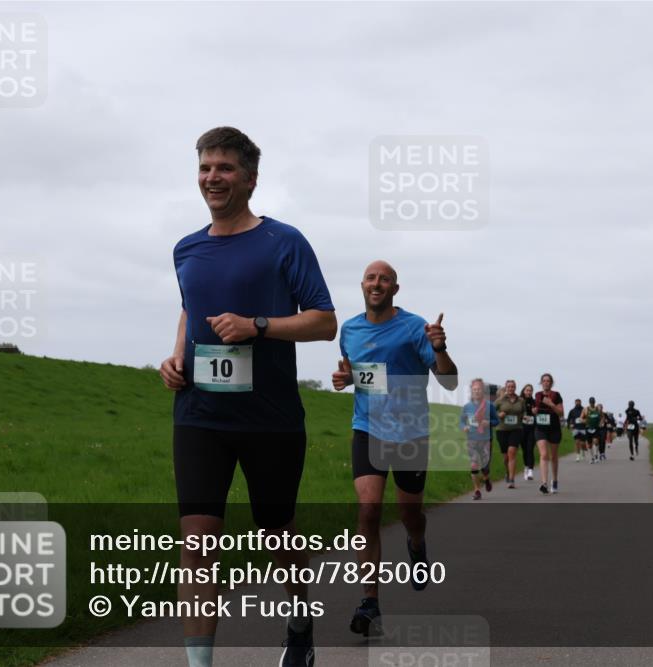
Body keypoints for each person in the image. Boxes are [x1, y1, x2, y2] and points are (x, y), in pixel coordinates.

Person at [159, 127, 337, 667]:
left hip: (270, 418)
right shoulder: (186, 248)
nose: (212, 177)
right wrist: (176, 358)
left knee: (277, 536)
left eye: (225, 168)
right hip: (200, 415)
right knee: (198, 543)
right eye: (205, 167)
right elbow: (191, 307)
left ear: (250, 179)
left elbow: (325, 322)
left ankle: (301, 622)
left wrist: (257, 325)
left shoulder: (284, 241)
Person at [332, 260, 458, 638]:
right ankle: (369, 602)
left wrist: (440, 347)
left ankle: (416, 541)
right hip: (368, 429)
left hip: (410, 434)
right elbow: (362, 375)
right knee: (368, 509)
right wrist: (346, 377)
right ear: (362, 286)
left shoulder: (415, 327)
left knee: (410, 512)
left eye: (384, 279)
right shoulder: (350, 329)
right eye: (371, 278)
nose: (377, 283)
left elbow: (449, 382)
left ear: (395, 289)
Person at [462, 378, 500, 499]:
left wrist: (487, 423)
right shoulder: (467, 407)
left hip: (486, 440)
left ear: (483, 391)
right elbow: (462, 421)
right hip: (472, 439)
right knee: (473, 465)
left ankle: (486, 478)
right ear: (471, 391)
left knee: (485, 466)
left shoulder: (490, 406)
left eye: (479, 389)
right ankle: (477, 491)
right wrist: (464, 427)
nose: (477, 391)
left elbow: (497, 421)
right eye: (474, 389)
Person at [532, 373, 564, 494]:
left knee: (554, 456)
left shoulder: (556, 395)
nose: (546, 382)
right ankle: (544, 483)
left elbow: (561, 413)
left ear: (551, 383)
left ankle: (554, 480)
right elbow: (535, 409)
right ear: (541, 382)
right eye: (544, 381)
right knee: (544, 454)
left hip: (554, 428)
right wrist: (534, 411)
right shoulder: (537, 395)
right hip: (540, 428)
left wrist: (551, 404)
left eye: (548, 381)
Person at [494, 380, 524, 488]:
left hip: (516, 429)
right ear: (506, 388)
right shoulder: (500, 400)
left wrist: (524, 417)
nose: (511, 388)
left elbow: (523, 412)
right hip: (502, 430)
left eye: (513, 386)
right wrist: (499, 414)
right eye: (509, 387)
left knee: (512, 452)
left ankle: (512, 479)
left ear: (515, 388)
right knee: (506, 457)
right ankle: (507, 472)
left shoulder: (521, 400)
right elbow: (492, 413)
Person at [519, 384, 537, 480]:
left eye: (530, 390)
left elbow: (537, 414)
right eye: (527, 390)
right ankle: (526, 467)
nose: (529, 392)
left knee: (530, 449)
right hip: (521, 429)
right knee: (524, 450)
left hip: (532, 429)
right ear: (524, 391)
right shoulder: (519, 401)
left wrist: (535, 413)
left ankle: (530, 470)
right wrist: (522, 416)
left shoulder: (534, 402)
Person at [582, 397, 604, 464]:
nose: (592, 403)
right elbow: (581, 417)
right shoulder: (586, 409)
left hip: (596, 427)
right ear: (589, 402)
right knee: (589, 444)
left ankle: (596, 456)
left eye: (593, 402)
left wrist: (601, 423)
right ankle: (592, 458)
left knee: (596, 441)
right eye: (591, 402)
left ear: (595, 402)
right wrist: (584, 421)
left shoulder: (598, 409)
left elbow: (602, 417)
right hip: (588, 428)